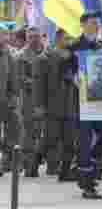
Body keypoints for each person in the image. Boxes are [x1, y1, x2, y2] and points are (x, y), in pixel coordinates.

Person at [68, 11, 102, 199]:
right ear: (82, 24)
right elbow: (64, 71)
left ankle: (84, 167)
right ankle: (87, 184)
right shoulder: (74, 47)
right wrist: (74, 78)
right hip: (83, 102)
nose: (96, 26)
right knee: (85, 142)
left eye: (98, 23)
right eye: (92, 23)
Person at [35, 28, 77, 181]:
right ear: (58, 39)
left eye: (71, 39)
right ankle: (34, 161)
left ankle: (64, 172)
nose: (69, 42)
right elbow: (39, 84)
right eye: (66, 39)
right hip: (52, 105)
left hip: (69, 104)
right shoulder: (46, 57)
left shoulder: (73, 57)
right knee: (50, 138)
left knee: (69, 141)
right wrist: (39, 105)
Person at [15, 26, 46, 177]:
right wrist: (37, 84)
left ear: (41, 37)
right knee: (28, 134)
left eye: (36, 36)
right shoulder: (21, 56)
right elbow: (20, 79)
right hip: (28, 101)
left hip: (46, 100)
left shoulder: (47, 53)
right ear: (27, 39)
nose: (34, 39)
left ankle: (46, 162)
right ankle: (29, 166)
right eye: (31, 37)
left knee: (44, 133)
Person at [0, 23, 18, 175]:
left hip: (5, 100)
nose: (4, 37)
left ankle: (6, 161)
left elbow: (13, 79)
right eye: (2, 33)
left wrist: (12, 97)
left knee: (11, 131)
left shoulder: (9, 54)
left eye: (5, 34)